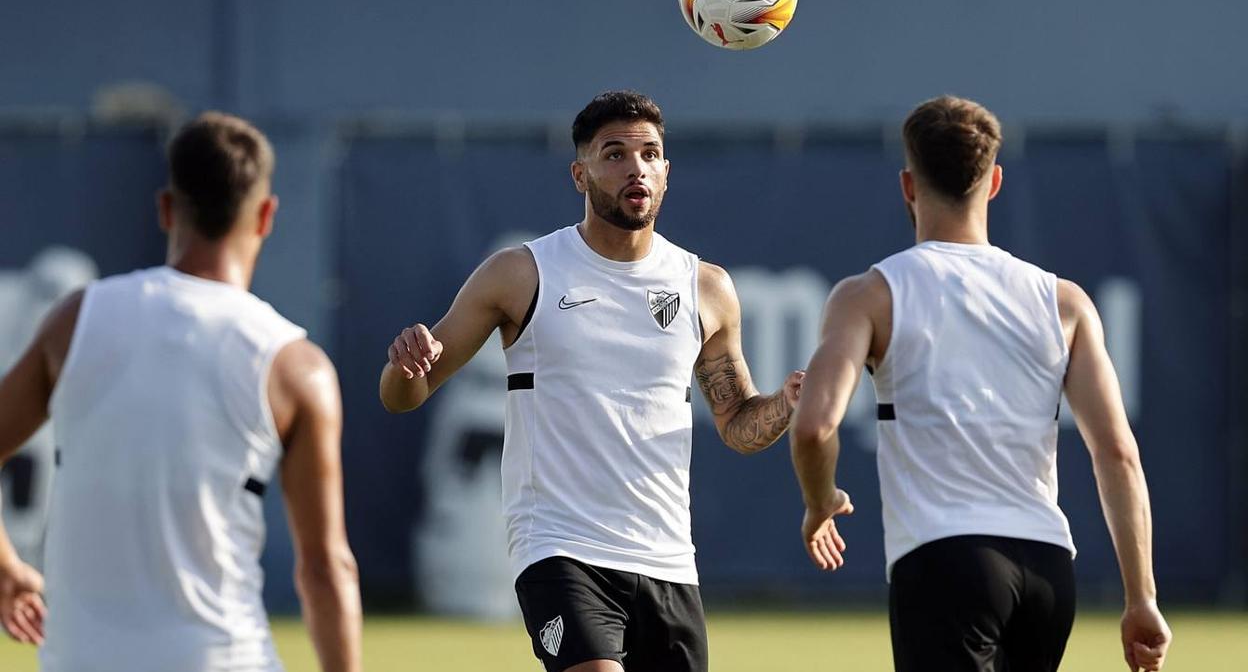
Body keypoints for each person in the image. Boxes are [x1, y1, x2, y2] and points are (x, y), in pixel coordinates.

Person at [380, 90, 802, 672]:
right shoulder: (522, 272)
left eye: (650, 153)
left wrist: (786, 404)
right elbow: (404, 395)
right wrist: (405, 367)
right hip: (559, 548)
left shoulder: (705, 287)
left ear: (666, 171)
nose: (636, 167)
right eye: (614, 154)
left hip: (668, 560)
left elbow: (737, 425)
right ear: (580, 174)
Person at [789, 95, 1171, 672]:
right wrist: (1141, 596)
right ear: (993, 182)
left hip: (946, 563)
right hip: (1047, 569)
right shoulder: (1064, 303)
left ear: (908, 186)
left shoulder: (869, 295)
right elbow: (1117, 453)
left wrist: (820, 503)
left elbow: (815, 427)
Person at [0, 112, 362, 672]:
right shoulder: (298, 369)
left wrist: (5, 566)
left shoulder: (76, 320)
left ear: (167, 208)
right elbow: (325, 567)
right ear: (266, 216)